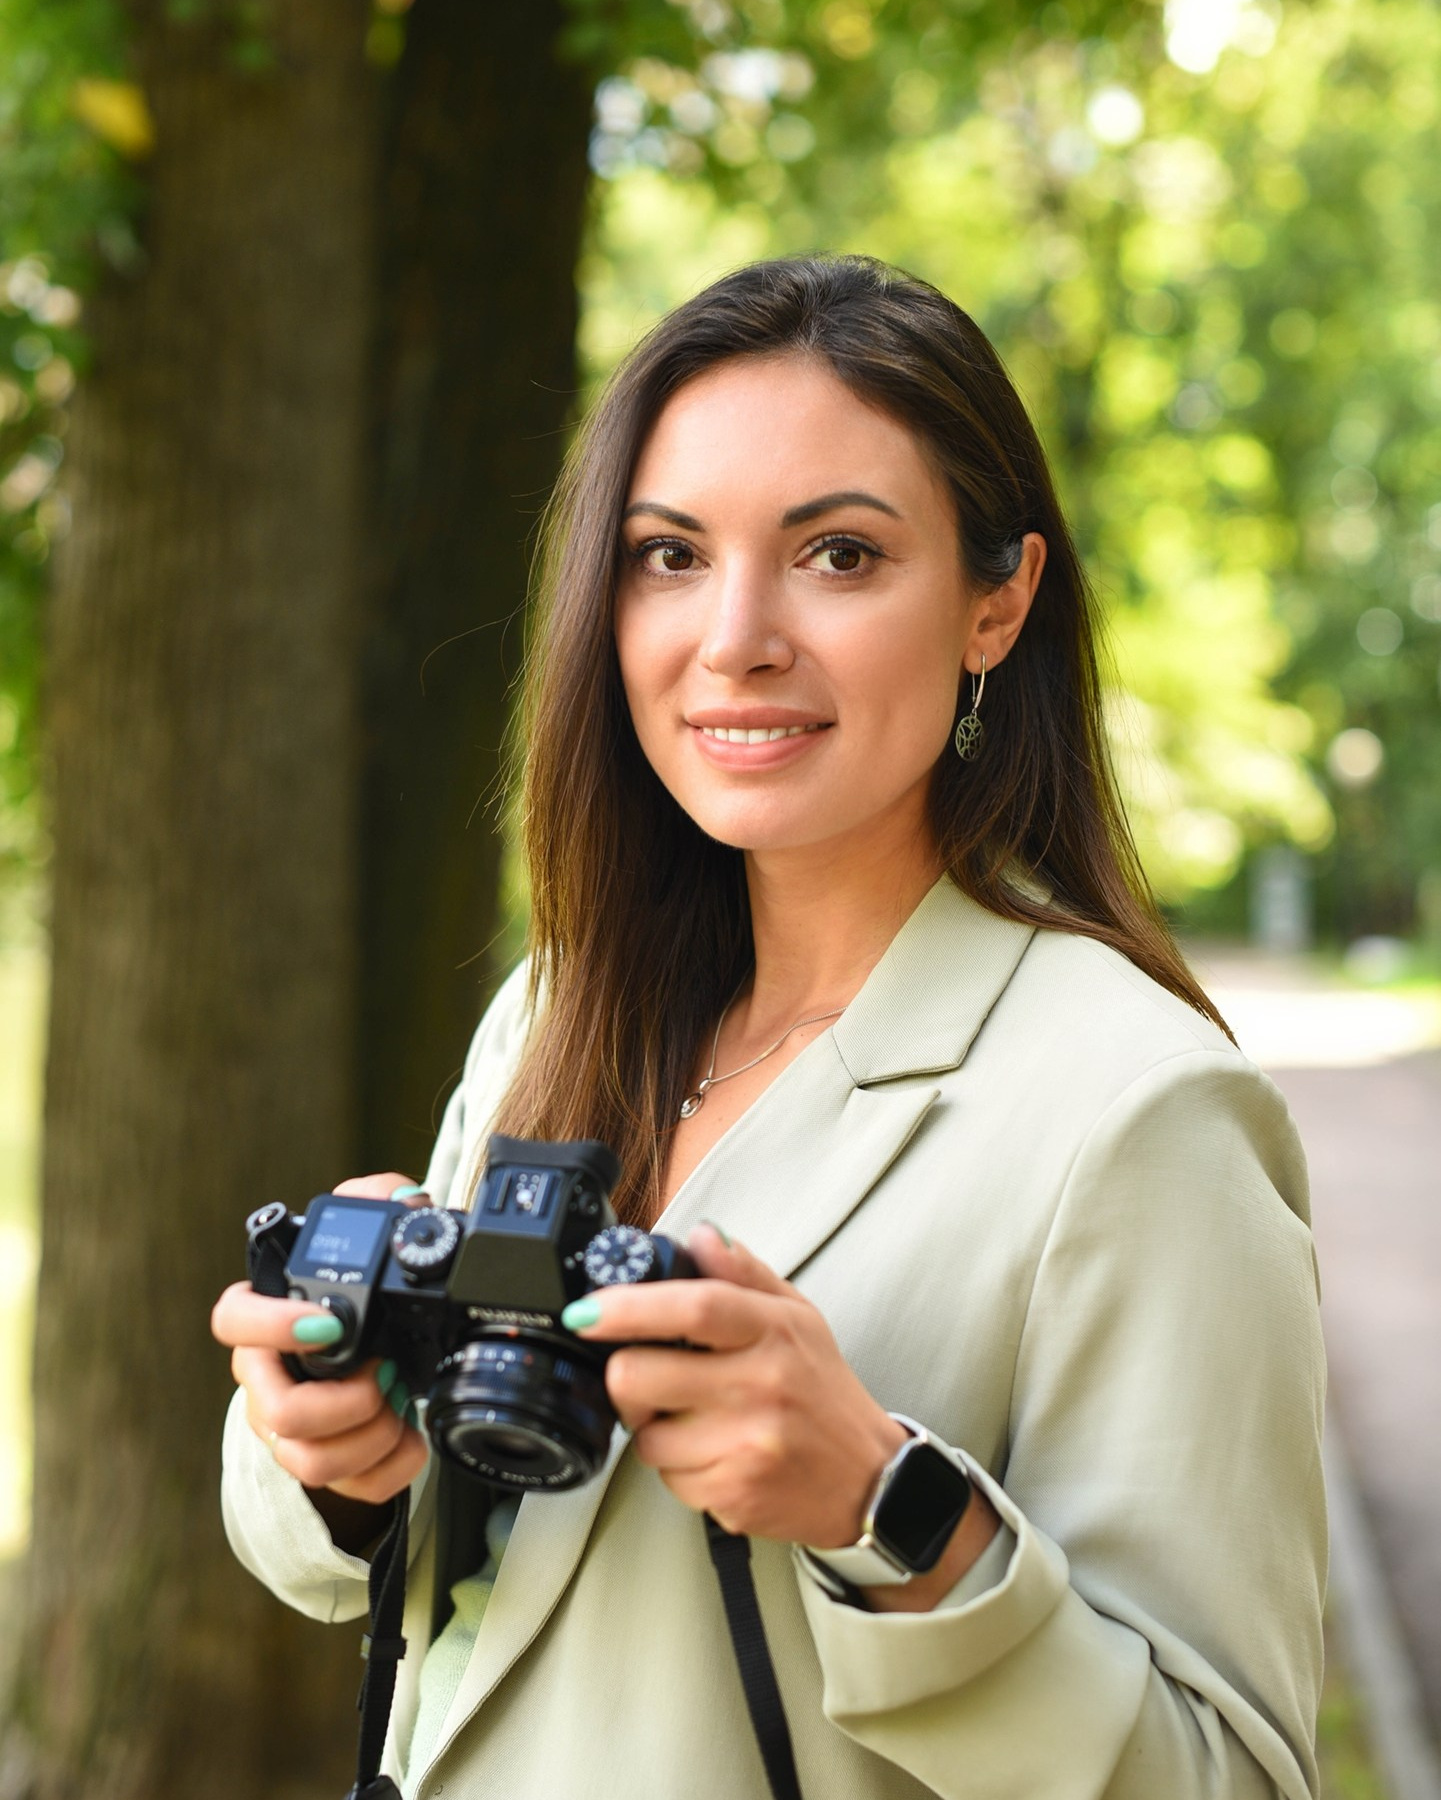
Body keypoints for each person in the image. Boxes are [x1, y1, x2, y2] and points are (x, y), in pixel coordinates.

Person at [212, 255, 1326, 1800]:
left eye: (839, 556)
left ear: (997, 600)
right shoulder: (555, 1010)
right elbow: (411, 1600)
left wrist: (890, 1512)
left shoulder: (1137, 1111)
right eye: (668, 556)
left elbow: (1229, 1780)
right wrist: (330, 1449)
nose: (733, 636)